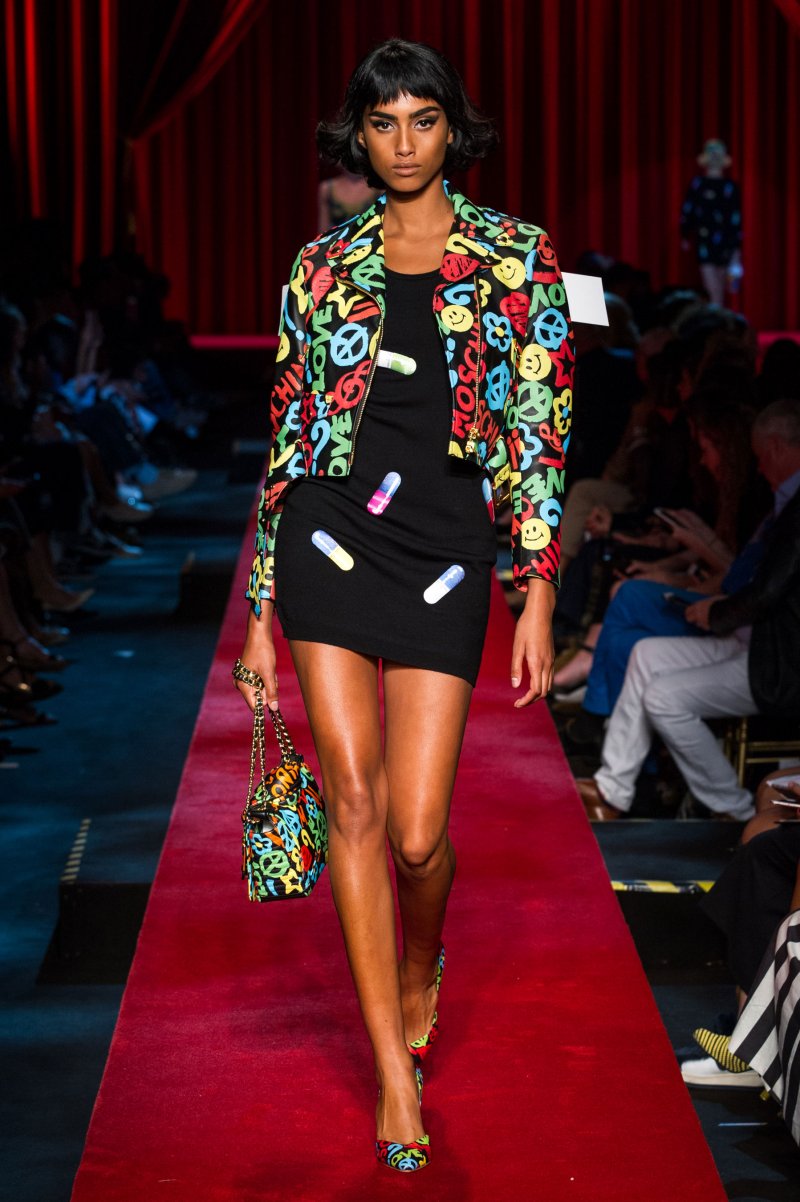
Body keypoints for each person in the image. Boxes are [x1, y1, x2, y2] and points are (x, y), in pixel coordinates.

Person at [234, 38, 573, 1172]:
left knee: (420, 835)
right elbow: (287, 436)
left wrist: (534, 588)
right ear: (359, 135)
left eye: (423, 120)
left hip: (445, 547)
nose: (403, 143)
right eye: (382, 124)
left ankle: (420, 963)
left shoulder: (517, 258)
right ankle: (391, 1068)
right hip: (330, 534)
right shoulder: (319, 265)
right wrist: (259, 612)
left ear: (451, 128)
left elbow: (537, 431)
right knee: (354, 800)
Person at [680, 138, 742, 306]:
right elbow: (688, 211)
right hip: (705, 240)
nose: (714, 157)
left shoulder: (730, 187)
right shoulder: (698, 184)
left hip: (726, 242)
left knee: (721, 286)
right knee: (711, 285)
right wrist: (685, 233)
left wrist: (736, 249)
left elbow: (735, 219)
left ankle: (718, 314)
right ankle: (715, 314)